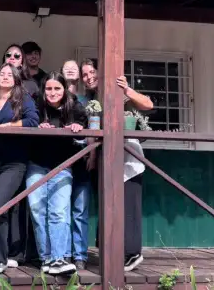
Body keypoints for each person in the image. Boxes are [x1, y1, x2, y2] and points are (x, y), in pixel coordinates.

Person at [79, 59, 154, 271]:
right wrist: (92, 156)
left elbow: (149, 105)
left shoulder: (118, 89)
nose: (89, 77)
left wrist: (126, 89)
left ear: (101, 72)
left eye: (92, 72)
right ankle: (111, 251)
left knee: (128, 205)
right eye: (84, 74)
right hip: (104, 158)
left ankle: (132, 253)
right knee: (107, 205)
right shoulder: (91, 101)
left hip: (127, 156)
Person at [28, 72, 87, 276]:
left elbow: (87, 133)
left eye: (57, 88)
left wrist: (80, 128)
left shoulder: (75, 107)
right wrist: (36, 127)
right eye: (49, 89)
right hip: (36, 164)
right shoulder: (35, 106)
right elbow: (26, 123)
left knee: (59, 211)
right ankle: (46, 258)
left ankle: (59, 257)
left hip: (63, 166)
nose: (52, 93)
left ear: (64, 90)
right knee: (37, 210)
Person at [0, 64, 39, 273]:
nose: (5, 76)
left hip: (14, 162)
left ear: (15, 79)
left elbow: (33, 121)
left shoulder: (23, 99)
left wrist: (10, 126)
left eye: (9, 74)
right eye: (2, 74)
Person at [61, 60, 89, 270]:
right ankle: (63, 254)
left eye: (74, 67)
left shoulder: (88, 101)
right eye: (66, 67)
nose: (70, 69)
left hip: (82, 158)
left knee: (80, 209)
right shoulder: (55, 97)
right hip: (60, 159)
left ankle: (79, 254)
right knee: (60, 210)